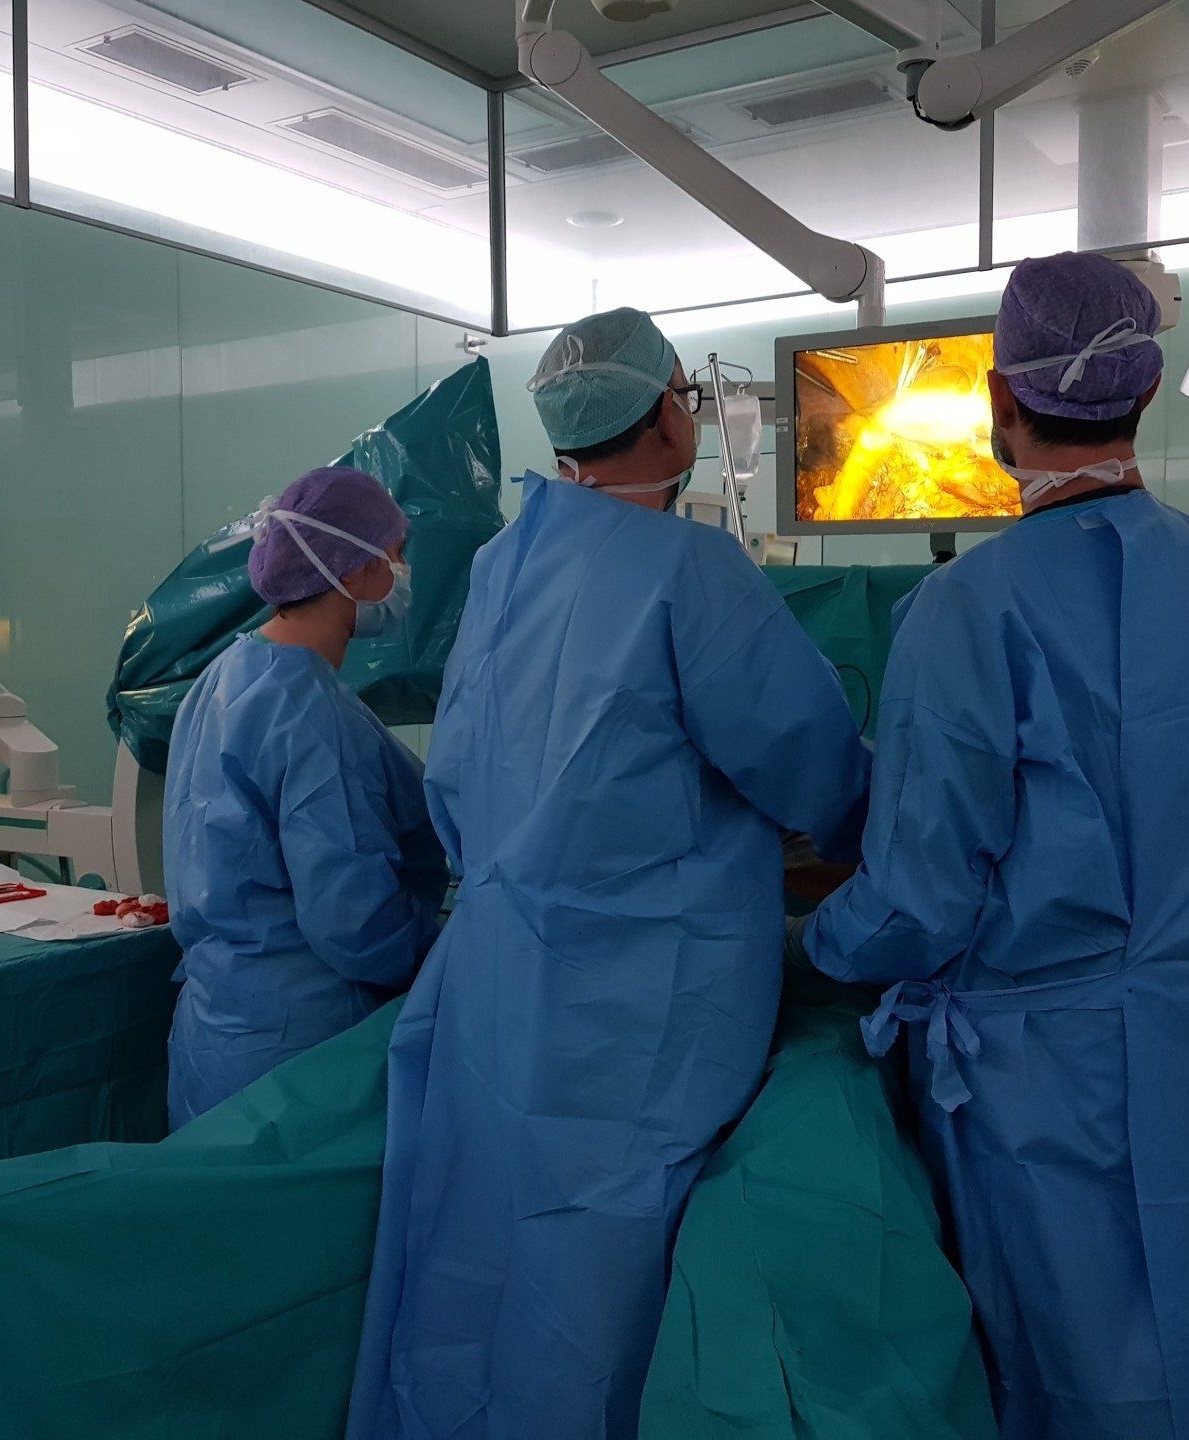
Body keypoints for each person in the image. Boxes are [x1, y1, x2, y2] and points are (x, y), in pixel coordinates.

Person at [795, 252, 1189, 1440]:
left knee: (1073, 1375)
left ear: (998, 401)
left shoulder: (965, 608)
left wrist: (809, 942)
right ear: (1150, 390)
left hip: (1048, 1081)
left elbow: (920, 897)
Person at [347, 308, 872, 1440]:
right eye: (688, 394)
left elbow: (466, 769)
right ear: (668, 417)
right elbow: (804, 756)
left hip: (499, 973)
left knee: (483, 1240)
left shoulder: (501, 564)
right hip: (635, 995)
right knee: (599, 1265)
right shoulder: (690, 567)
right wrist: (858, 826)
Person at [163, 466, 447, 1130]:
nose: (404, 573)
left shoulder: (222, 677)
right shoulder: (310, 715)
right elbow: (353, 920)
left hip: (214, 1036)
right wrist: (439, 955)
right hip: (300, 1050)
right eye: (397, 554)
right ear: (357, 569)